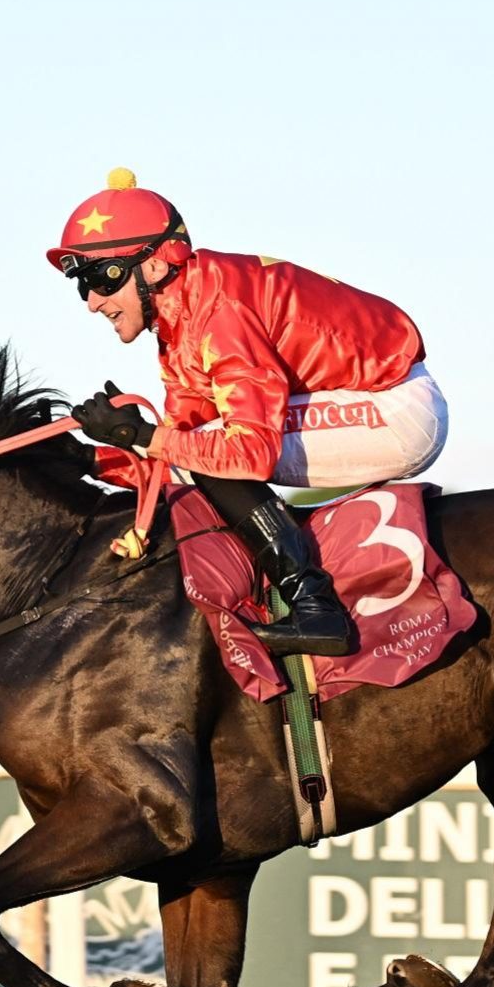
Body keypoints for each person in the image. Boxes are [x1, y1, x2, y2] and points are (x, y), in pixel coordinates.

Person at [49, 168, 448, 657]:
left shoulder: (220, 312)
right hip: (354, 397)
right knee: (196, 449)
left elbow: (246, 452)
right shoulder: (181, 322)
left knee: (215, 449)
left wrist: (146, 435)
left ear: (155, 265)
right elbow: (178, 448)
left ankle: (315, 606)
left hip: (396, 407)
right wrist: (95, 459)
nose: (92, 302)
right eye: (81, 285)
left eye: (99, 278)